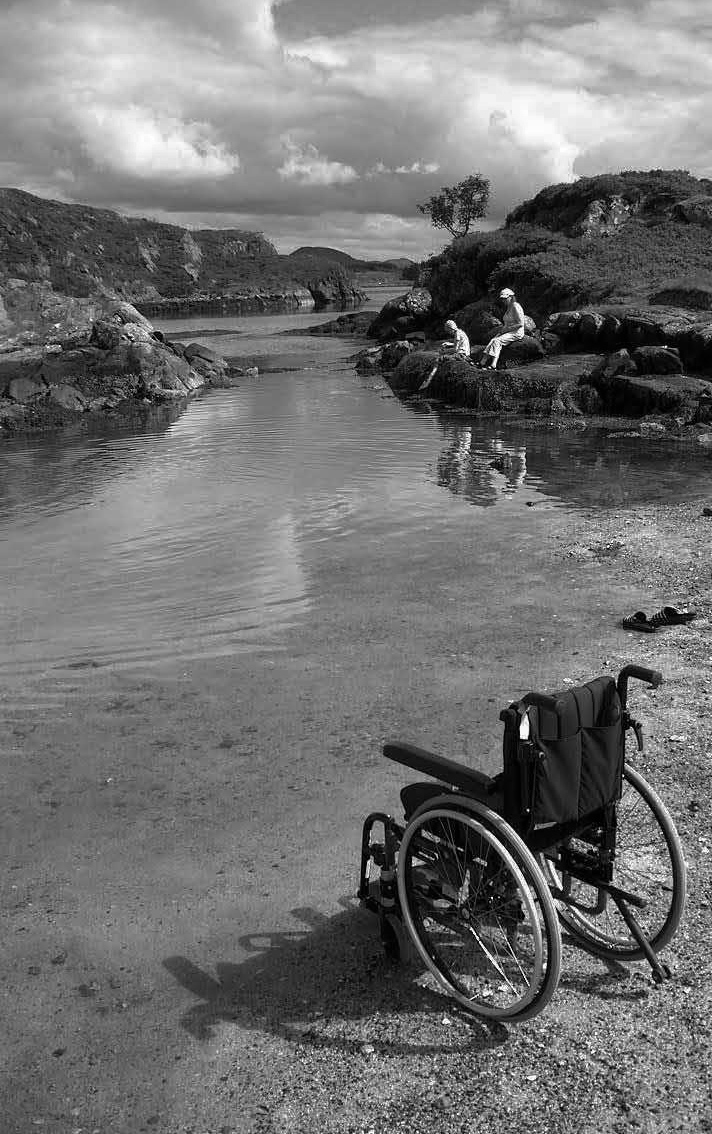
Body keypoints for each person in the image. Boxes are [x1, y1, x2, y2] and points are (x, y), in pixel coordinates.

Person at [478, 288, 525, 370]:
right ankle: (482, 362)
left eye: (505, 298)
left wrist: (506, 330)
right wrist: (502, 331)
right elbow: (507, 323)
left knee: (497, 341)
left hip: (516, 332)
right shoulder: (509, 307)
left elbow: (520, 324)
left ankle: (493, 365)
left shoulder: (515, 306)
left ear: (510, 297)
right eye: (502, 299)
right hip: (508, 331)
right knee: (493, 340)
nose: (503, 300)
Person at [419, 318, 470, 391]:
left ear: (450, 328)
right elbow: (458, 344)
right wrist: (449, 344)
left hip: (461, 355)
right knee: (443, 356)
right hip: (464, 353)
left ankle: (429, 379)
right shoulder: (460, 332)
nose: (448, 332)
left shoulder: (457, 334)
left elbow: (455, 349)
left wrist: (444, 352)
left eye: (448, 330)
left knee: (438, 359)